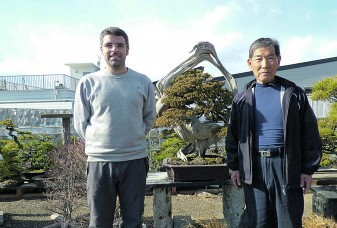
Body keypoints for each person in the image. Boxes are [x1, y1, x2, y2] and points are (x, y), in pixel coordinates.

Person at [225, 38, 322, 228]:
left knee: (288, 221)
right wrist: (234, 166)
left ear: (278, 60)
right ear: (249, 62)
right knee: (258, 222)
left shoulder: (294, 94)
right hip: (254, 168)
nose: (265, 64)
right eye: (259, 58)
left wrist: (307, 170)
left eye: (270, 58)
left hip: (286, 166)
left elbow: (310, 134)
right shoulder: (242, 99)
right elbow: (233, 136)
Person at [73, 27, 156, 227]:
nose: (114, 50)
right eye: (109, 45)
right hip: (100, 163)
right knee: (99, 222)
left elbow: (149, 118)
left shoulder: (143, 81)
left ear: (127, 49)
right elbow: (80, 123)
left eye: (119, 45)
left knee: (133, 221)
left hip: (134, 161)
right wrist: (100, 143)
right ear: (101, 49)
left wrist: (131, 137)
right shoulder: (88, 83)